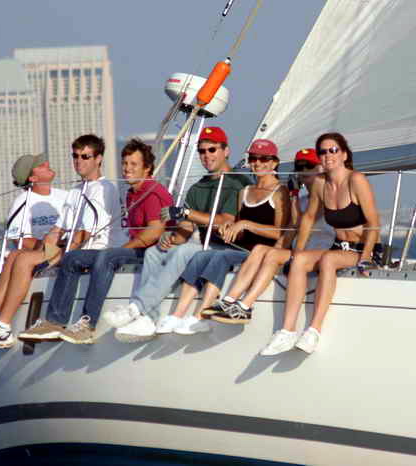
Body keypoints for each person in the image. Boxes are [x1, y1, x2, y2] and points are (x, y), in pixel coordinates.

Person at [0, 134, 125, 349]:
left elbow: (84, 235)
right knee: (16, 255)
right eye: (75, 156)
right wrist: (46, 250)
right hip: (74, 248)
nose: (78, 161)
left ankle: (3, 327)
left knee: (24, 260)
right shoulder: (76, 191)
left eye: (85, 156)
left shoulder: (102, 189)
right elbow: (56, 230)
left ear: (98, 159)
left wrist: (51, 258)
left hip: (95, 250)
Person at [102, 126, 250, 342]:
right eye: (202, 151)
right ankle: (149, 319)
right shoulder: (197, 188)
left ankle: (137, 307)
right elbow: (186, 229)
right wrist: (171, 238)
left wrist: (187, 213)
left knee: (183, 252)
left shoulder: (237, 183)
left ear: (226, 151)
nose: (206, 155)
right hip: (203, 244)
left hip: (227, 247)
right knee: (154, 252)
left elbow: (224, 222)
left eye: (212, 149)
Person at [18, 139, 172, 344]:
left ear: (147, 168)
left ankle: (87, 325)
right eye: (125, 163)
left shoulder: (151, 192)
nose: (127, 169)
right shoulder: (132, 192)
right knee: (72, 258)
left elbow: (153, 233)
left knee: (106, 256)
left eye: (134, 164)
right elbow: (58, 232)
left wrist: (121, 249)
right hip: (136, 247)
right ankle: (55, 321)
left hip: (154, 251)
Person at [259, 133, 381, 355]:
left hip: (363, 249)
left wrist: (365, 257)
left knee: (328, 259)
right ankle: (287, 331)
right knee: (299, 261)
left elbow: (374, 223)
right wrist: (297, 250)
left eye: (333, 150)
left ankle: (313, 331)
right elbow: (308, 218)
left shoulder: (356, 180)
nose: (327, 155)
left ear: (344, 155)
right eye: (322, 152)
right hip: (338, 247)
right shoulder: (320, 183)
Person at [155, 139, 290, 332]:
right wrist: (229, 229)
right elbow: (238, 229)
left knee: (221, 256)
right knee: (202, 256)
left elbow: (280, 232)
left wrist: (246, 224)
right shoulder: (245, 191)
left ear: (274, 162)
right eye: (253, 158)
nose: (257, 163)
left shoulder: (280, 191)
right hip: (242, 249)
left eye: (264, 159)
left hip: (262, 253)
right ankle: (177, 315)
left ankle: (201, 316)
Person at [205, 148, 333, 325]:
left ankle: (245, 305)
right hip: (300, 251)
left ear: (321, 168)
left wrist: (293, 194)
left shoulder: (328, 195)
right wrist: (295, 195)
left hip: (318, 252)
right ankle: (229, 300)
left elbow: (304, 222)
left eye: (309, 166)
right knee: (259, 250)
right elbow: (293, 226)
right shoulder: (302, 198)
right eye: (299, 166)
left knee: (271, 255)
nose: (304, 170)